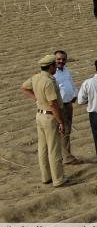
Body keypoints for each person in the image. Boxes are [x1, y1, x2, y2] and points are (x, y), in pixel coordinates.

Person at [21, 54, 69, 187]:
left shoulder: (36, 77)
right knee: (54, 149)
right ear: (51, 67)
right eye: (55, 65)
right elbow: (53, 104)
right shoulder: (49, 82)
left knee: (42, 148)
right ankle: (58, 179)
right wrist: (60, 122)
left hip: (39, 116)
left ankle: (46, 176)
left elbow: (24, 88)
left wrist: (37, 98)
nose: (56, 67)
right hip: (49, 117)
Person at [53, 50, 83, 164]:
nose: (61, 61)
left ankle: (64, 155)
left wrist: (75, 94)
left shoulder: (66, 70)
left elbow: (71, 83)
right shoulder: (52, 73)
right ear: (54, 59)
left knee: (66, 129)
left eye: (63, 59)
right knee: (63, 130)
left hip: (68, 103)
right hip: (60, 105)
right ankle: (67, 157)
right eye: (58, 59)